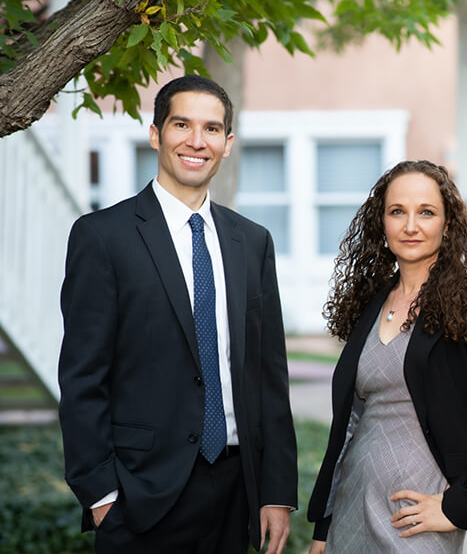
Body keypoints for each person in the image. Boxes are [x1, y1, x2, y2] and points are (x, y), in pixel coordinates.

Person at [58, 75, 297, 554]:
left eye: (211, 129)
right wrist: (102, 496)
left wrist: (277, 493)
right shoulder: (103, 237)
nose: (196, 141)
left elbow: (268, 375)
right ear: (155, 134)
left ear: (227, 144)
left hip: (236, 491)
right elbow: (83, 378)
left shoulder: (252, 242)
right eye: (181, 124)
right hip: (140, 498)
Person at [306, 160, 467, 553]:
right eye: (398, 212)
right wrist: (324, 527)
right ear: (382, 224)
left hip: (418, 517)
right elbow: (349, 425)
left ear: (447, 225)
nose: (411, 225)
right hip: (351, 506)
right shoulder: (370, 304)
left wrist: (460, 505)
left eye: (426, 212)